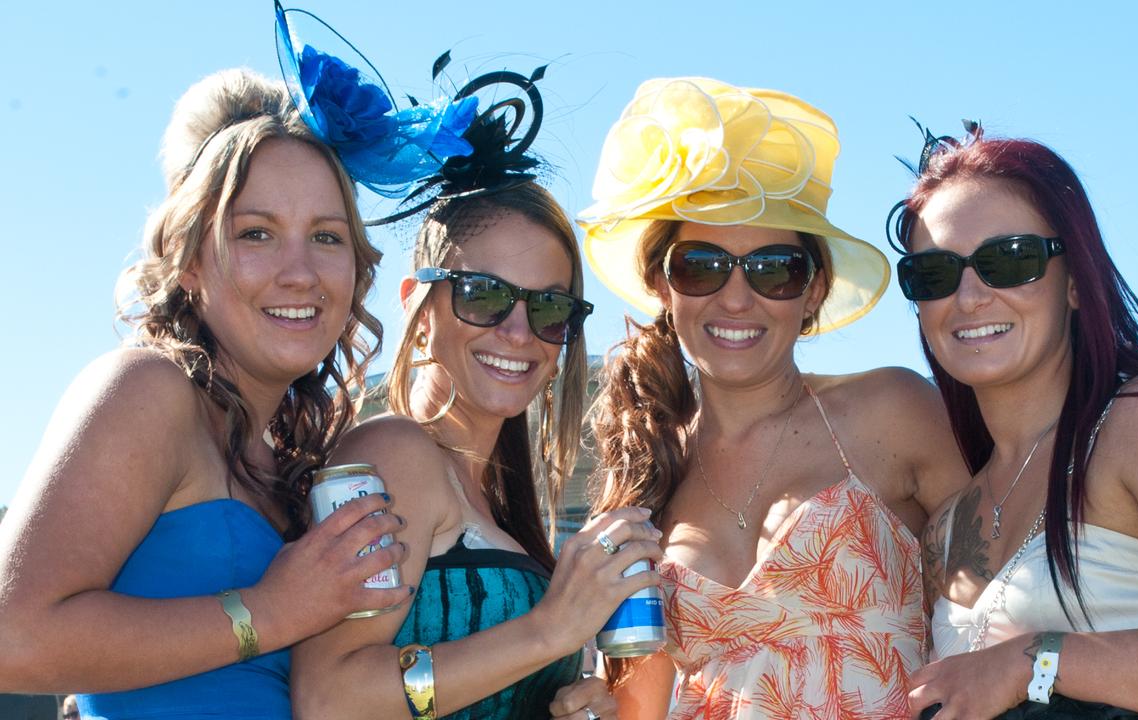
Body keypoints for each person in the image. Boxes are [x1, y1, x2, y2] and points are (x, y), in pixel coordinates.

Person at [0, 68, 409, 718]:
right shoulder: (146, 391)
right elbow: (13, 638)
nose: (300, 273)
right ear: (189, 260)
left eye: (327, 237)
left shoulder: (295, 462)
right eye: (256, 233)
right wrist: (272, 612)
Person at [579, 77, 970, 719]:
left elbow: (1010, 592)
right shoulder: (647, 469)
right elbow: (635, 707)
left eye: (773, 270)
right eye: (701, 265)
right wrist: (589, 703)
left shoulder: (894, 412)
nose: (736, 298)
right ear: (661, 284)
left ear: (813, 290)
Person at [288, 60, 661, 720]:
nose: (519, 332)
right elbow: (328, 697)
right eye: (483, 295)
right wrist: (547, 630)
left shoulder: (500, 499)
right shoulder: (396, 454)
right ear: (418, 307)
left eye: (549, 308)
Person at [891, 124, 1138, 718]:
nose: (968, 296)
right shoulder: (946, 524)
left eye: (1009, 259)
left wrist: (1035, 660)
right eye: (935, 273)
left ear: (1074, 281)